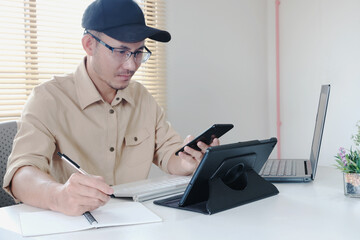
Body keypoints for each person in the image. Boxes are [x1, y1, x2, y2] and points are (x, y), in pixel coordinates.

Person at [3, 0, 219, 216]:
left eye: (138, 52)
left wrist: (188, 162)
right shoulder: (48, 99)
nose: (131, 65)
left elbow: (169, 156)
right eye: (120, 51)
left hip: (137, 224)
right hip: (73, 225)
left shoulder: (142, 97)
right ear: (89, 44)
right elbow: (21, 174)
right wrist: (58, 196)